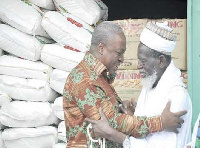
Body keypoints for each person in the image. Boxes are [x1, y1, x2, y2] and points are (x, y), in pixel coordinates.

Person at [63, 21, 187, 148]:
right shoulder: (85, 79)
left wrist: (120, 108)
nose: (122, 59)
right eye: (119, 53)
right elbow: (112, 123)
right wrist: (160, 122)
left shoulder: (100, 77)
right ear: (101, 48)